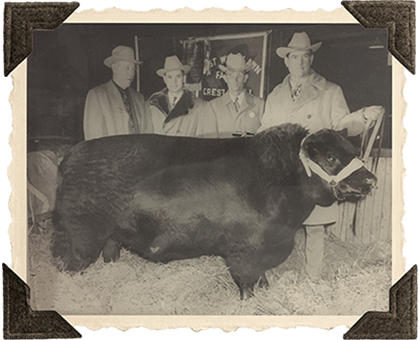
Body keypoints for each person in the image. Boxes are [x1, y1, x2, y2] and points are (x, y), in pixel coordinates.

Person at [258, 31, 384, 280]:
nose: (300, 62)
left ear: (311, 59)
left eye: (305, 57)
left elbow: (342, 126)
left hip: (315, 174)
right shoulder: (276, 95)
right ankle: (273, 271)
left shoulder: (330, 91)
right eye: (295, 57)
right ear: (287, 60)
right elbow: (265, 131)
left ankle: (312, 277)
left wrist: (362, 116)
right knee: (278, 224)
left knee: (314, 228)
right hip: (285, 175)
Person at [83, 45, 154, 140]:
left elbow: (148, 134)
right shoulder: (97, 95)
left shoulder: (139, 98)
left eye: (133, 69)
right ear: (114, 68)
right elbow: (93, 140)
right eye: (127, 68)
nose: (131, 73)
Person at [148, 55, 211, 137]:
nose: (174, 81)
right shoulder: (152, 105)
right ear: (165, 79)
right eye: (169, 77)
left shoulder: (200, 106)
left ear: (184, 78)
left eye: (178, 76)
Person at [207, 53, 265, 138]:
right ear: (225, 78)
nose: (235, 80)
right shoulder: (213, 106)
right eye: (231, 75)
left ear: (245, 78)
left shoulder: (259, 105)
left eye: (239, 75)